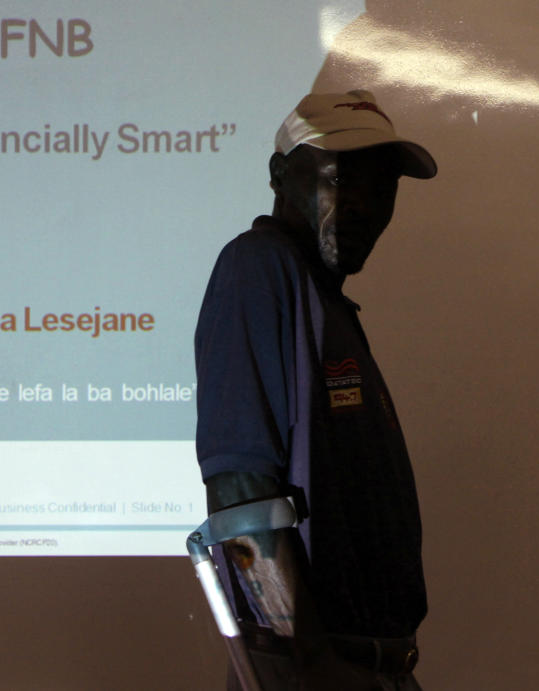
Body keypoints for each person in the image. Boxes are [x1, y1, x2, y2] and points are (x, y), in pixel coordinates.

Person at [194, 90, 437, 690]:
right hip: (318, 672)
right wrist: (300, 666)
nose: (361, 205)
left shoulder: (323, 297)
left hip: (369, 666)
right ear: (280, 175)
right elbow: (239, 495)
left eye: (382, 188)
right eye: (339, 178)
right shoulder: (259, 267)